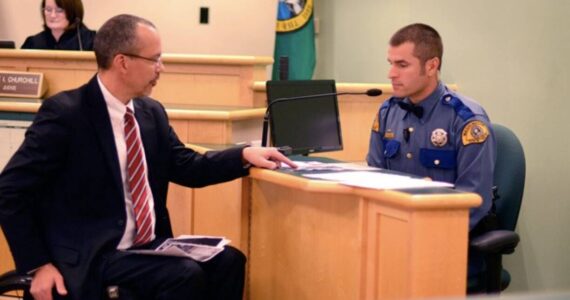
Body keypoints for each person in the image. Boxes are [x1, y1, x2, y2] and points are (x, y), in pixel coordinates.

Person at [0, 14, 296, 300]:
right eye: (155, 59)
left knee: (229, 261)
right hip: (92, 254)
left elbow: (186, 166)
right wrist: (37, 264)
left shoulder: (150, 113)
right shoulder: (67, 114)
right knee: (183, 275)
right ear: (123, 62)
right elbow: (10, 190)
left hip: (146, 247)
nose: (161, 67)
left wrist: (243, 155)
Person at [366, 23, 496, 278]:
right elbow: (374, 180)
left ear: (431, 65)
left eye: (402, 65)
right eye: (390, 63)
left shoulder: (467, 119)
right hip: (396, 238)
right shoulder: (387, 112)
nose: (391, 73)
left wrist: (421, 237)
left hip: (448, 245)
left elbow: (474, 200)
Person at [21, 0, 96, 51]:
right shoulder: (33, 42)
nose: (53, 15)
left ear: (73, 12)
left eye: (59, 10)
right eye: (48, 10)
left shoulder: (91, 40)